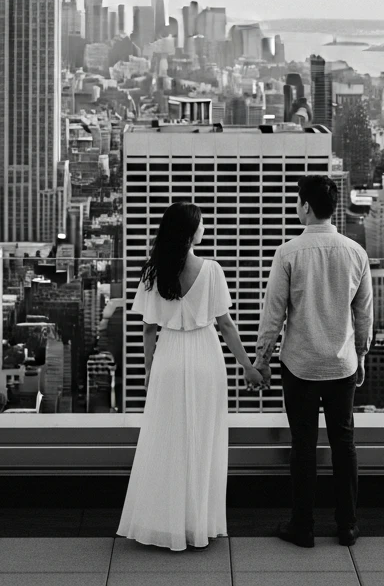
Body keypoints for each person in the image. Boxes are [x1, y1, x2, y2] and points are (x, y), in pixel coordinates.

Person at [117, 200, 264, 551]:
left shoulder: (153, 271)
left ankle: (161, 521)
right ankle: (197, 524)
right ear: (190, 232)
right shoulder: (211, 270)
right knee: (202, 440)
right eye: (200, 223)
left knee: (166, 439)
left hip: (169, 356)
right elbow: (226, 326)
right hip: (205, 356)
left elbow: (148, 329)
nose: (204, 228)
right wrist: (248, 365)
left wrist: (149, 367)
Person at [254, 174, 373, 548]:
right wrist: (362, 353)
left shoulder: (288, 253)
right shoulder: (356, 252)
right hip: (342, 365)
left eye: (297, 200)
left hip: (300, 366)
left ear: (305, 206)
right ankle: (348, 526)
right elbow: (364, 313)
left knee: (303, 445)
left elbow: (272, 315)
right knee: (345, 444)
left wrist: (262, 359)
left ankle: (302, 526)